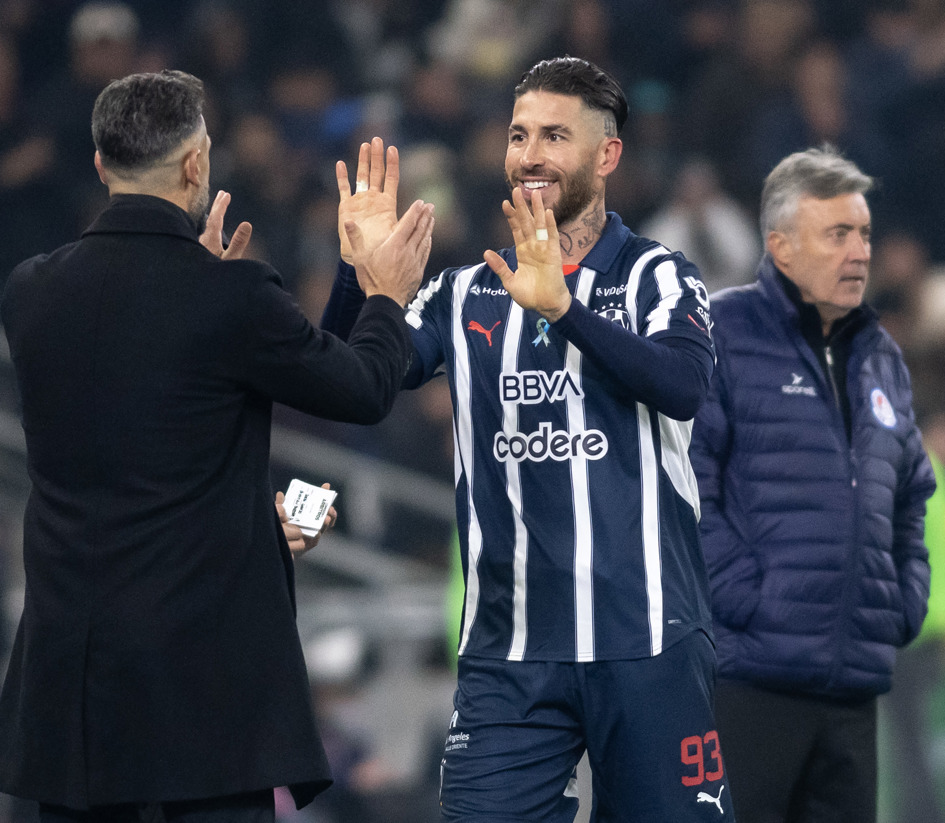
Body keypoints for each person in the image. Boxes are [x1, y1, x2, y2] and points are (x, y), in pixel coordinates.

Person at [0, 69, 434, 823]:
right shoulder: (229, 298)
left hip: (76, 687)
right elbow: (358, 387)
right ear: (196, 165)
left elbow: (149, 419)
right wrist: (381, 289)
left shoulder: (29, 291)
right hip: (205, 686)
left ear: (101, 165)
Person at [322, 56, 731, 821]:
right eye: (518, 135)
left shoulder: (658, 276)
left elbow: (683, 386)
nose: (530, 154)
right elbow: (346, 384)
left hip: (646, 642)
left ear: (606, 156)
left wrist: (566, 310)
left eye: (553, 135)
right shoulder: (465, 290)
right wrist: (360, 276)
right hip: (508, 656)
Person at [689, 146, 934, 823]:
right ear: (782, 246)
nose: (859, 252)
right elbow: (683, 484)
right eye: (838, 234)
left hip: (853, 685)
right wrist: (749, 597)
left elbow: (911, 493)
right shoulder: (721, 333)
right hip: (752, 680)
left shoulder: (881, 355)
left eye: (864, 234)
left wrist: (900, 600)